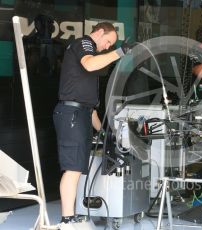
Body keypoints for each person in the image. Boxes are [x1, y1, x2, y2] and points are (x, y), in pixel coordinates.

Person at [53, 22, 127, 224]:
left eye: (111, 45)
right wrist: (120, 52)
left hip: (82, 113)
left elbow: (90, 108)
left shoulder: (94, 56)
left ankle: (72, 215)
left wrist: (104, 133)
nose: (107, 47)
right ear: (100, 32)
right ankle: (67, 219)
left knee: (78, 167)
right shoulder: (84, 44)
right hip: (71, 114)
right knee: (73, 168)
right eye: (108, 42)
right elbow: (89, 64)